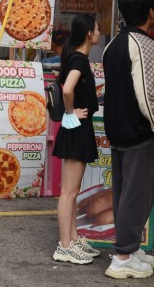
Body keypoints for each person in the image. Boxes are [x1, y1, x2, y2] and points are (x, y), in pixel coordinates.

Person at [102, 0, 154, 279]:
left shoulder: (112, 44)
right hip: (140, 133)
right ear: (151, 12)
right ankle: (122, 256)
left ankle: (129, 250)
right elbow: (148, 95)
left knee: (124, 193)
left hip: (118, 132)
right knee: (137, 195)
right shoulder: (145, 45)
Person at [52, 14, 102, 265]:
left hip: (78, 127)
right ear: (88, 34)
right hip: (76, 127)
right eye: (97, 28)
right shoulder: (79, 61)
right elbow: (67, 89)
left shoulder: (78, 58)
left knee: (72, 191)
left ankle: (72, 238)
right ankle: (64, 245)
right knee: (69, 193)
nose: (99, 31)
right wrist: (71, 113)